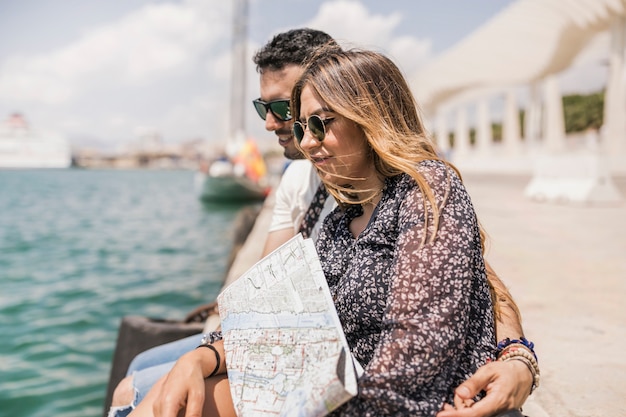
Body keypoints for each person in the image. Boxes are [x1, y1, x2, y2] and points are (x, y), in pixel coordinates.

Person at [109, 29, 537, 417]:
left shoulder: (424, 188)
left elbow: (464, 295)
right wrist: (206, 355)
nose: (296, 134)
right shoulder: (334, 213)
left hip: (379, 396)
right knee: (157, 392)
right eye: (292, 118)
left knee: (142, 394)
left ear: (368, 115)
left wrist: (518, 355)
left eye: (317, 121)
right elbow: (272, 300)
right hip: (326, 374)